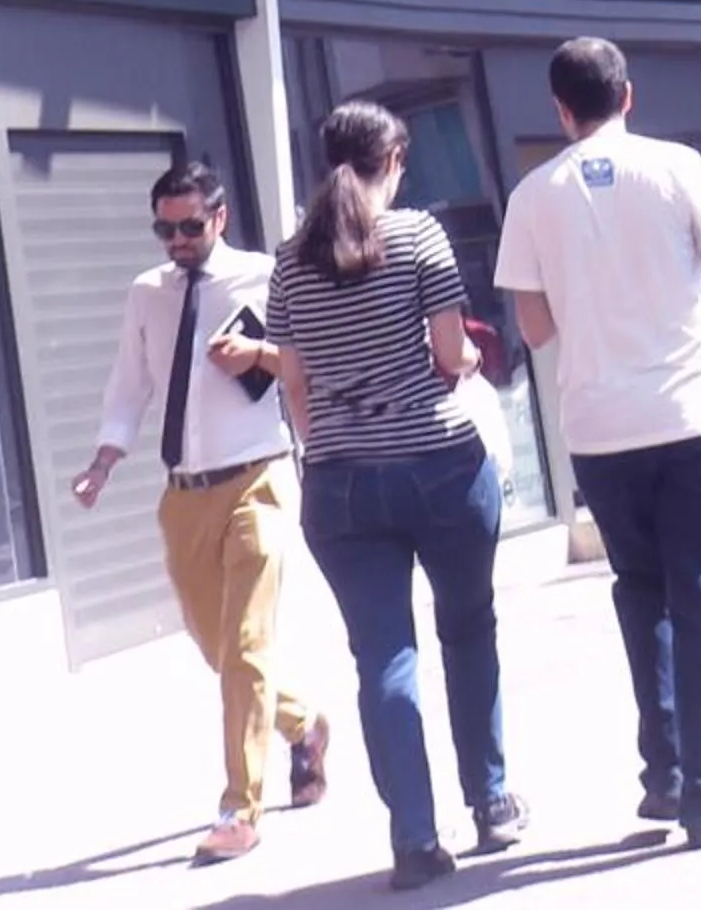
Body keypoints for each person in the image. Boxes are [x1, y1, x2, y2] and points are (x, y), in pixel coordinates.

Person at [495, 38, 701, 851]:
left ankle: (664, 773)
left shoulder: (532, 196)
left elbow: (534, 328)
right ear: (629, 95)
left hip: (599, 428)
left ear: (561, 110)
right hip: (694, 415)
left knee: (642, 590)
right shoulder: (677, 166)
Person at [270, 102, 525, 892]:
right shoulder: (419, 236)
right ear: (395, 159)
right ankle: (491, 801)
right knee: (468, 629)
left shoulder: (290, 260)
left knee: (383, 655)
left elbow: (293, 383)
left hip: (342, 482)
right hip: (441, 463)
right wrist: (467, 365)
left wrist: (327, 445)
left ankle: (414, 838)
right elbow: (450, 350)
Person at [71, 159, 327, 864]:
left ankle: (239, 808)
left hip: (259, 478)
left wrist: (260, 353)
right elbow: (130, 385)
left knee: (246, 644)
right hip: (184, 495)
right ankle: (304, 725)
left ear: (219, 217)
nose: (177, 241)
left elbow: (309, 361)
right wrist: (103, 461)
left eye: (188, 227)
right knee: (218, 649)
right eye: (165, 230)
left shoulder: (266, 277)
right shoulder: (147, 293)